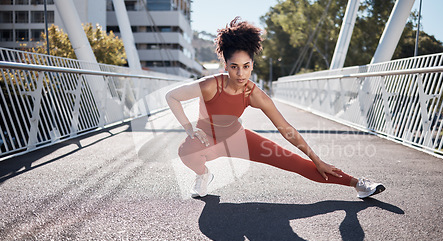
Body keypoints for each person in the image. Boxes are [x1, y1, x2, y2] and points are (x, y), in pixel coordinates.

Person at [165, 17, 385, 199]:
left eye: (246, 67)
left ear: (252, 65)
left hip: (237, 139)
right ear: (226, 66)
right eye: (234, 67)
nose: (240, 74)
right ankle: (203, 175)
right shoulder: (212, 85)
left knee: (297, 163)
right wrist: (189, 129)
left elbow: (286, 129)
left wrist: (317, 159)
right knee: (186, 151)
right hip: (207, 142)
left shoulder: (254, 94)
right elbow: (172, 96)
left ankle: (358, 184)